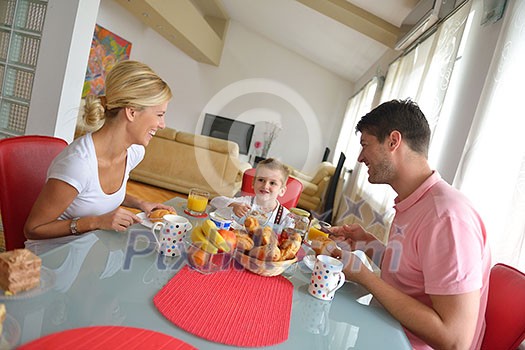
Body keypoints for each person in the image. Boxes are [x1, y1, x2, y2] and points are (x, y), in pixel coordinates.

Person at [329, 99, 491, 350]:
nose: (360, 158)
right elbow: (411, 277)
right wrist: (367, 243)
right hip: (382, 331)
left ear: (394, 141)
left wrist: (366, 277)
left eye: (365, 145)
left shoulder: (446, 217)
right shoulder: (413, 201)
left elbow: (455, 340)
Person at [24, 60, 175, 254]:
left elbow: (94, 195)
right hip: (53, 260)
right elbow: (33, 229)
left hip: (90, 251)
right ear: (131, 112)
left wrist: (140, 203)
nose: (162, 124)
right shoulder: (78, 164)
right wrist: (96, 222)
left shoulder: (134, 152)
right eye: (160, 114)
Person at [210, 158, 294, 233]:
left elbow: (292, 235)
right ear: (253, 183)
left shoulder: (285, 217)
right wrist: (233, 204)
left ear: (282, 191)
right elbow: (215, 201)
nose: (265, 186)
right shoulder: (244, 202)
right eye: (261, 180)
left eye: (272, 183)